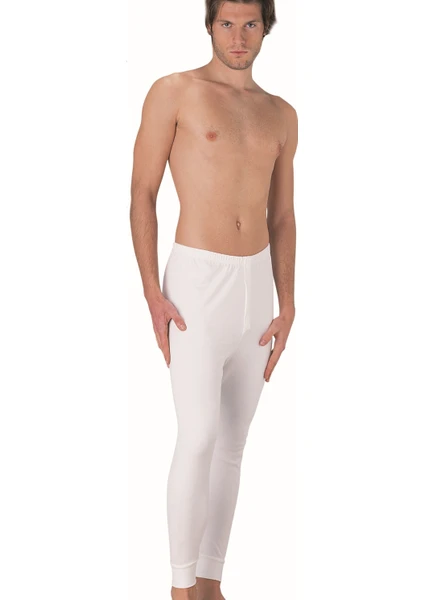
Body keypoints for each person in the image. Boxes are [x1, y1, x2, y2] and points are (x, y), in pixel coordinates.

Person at [130, 0, 297, 598]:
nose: (238, 36)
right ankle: (180, 589)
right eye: (227, 23)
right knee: (198, 434)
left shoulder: (281, 114)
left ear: (266, 28)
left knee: (232, 445)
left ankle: (210, 582)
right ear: (209, 25)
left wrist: (288, 304)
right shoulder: (174, 91)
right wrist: (152, 291)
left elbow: (283, 215)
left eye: (250, 24)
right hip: (197, 281)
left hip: (255, 288)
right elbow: (142, 191)